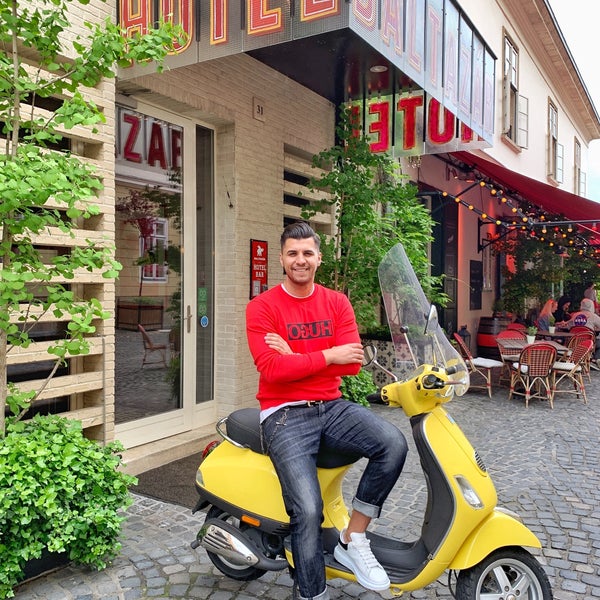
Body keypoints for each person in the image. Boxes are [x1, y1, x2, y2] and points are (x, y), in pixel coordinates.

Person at [246, 222, 408, 600]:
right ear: (282, 259)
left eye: (307, 253)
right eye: (292, 253)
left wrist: (297, 356)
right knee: (307, 508)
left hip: (330, 406)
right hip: (283, 414)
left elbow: (352, 363)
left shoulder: (337, 302)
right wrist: (328, 354)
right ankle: (311, 593)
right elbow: (272, 369)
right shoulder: (262, 307)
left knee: (392, 443)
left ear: (319, 257)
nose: (300, 260)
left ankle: (353, 537)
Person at [558, 298, 600, 367]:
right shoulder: (594, 316)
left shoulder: (575, 315)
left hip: (573, 343)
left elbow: (568, 327)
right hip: (587, 344)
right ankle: (596, 358)